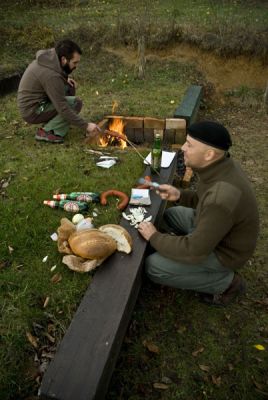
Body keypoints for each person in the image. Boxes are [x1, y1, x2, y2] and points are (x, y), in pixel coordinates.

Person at [138, 121, 259, 306]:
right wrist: (179, 195)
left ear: (209, 154)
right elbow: (204, 198)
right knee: (172, 215)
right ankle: (179, 253)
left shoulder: (221, 198)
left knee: (154, 267)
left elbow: (195, 250)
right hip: (215, 229)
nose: (183, 148)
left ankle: (227, 283)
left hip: (224, 252)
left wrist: (154, 237)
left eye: (189, 145)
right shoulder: (219, 166)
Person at [17, 39, 101, 143]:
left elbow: (53, 77)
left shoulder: (51, 57)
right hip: (32, 110)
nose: (76, 66)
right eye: (74, 62)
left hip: (37, 102)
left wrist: (64, 79)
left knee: (69, 88)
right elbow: (63, 108)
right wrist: (86, 126)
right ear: (64, 59)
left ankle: (53, 123)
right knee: (75, 104)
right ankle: (47, 132)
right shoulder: (52, 76)